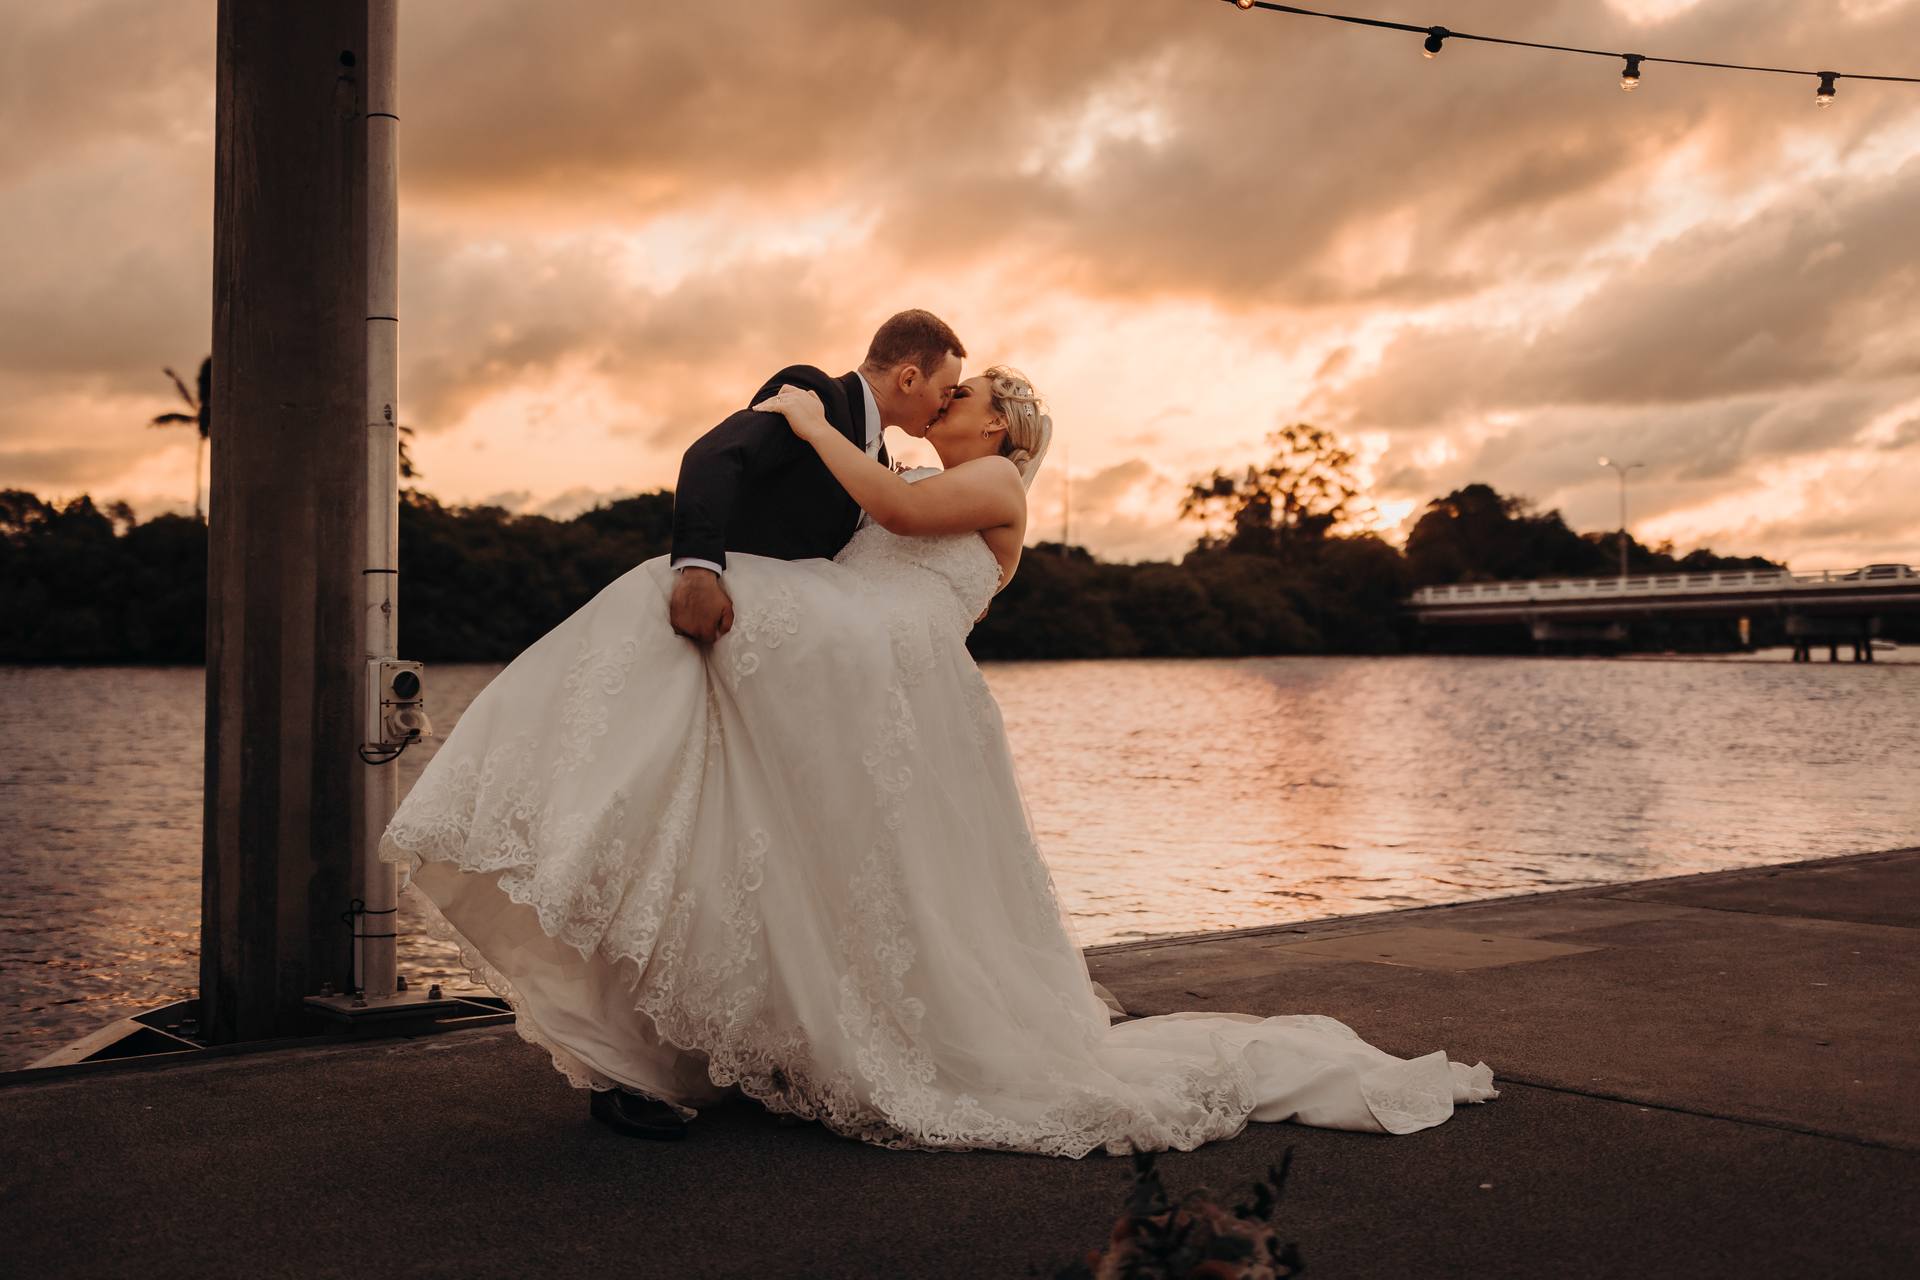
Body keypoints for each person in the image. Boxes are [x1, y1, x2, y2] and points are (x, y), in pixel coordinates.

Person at [377, 321, 1498, 1156]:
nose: (949, 398)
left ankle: (585, 866)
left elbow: (899, 518)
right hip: (852, 652)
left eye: (967, 392)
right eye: (946, 384)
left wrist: (809, 424)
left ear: (999, 421)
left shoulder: (995, 482)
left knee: (659, 607)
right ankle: (600, 899)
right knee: (772, 831)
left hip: (885, 659)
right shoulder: (921, 469)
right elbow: (851, 504)